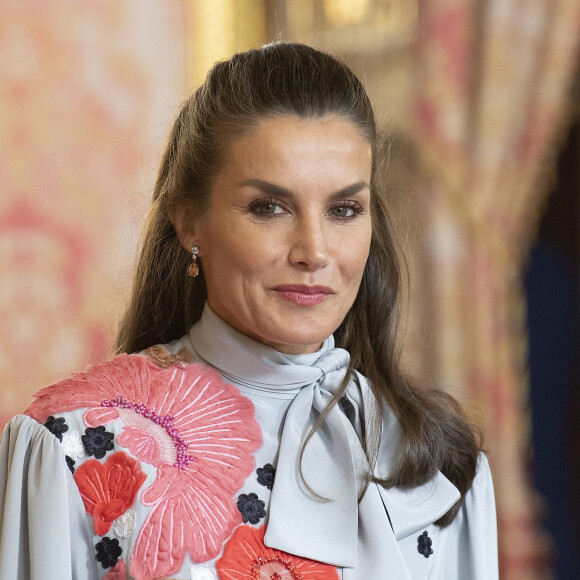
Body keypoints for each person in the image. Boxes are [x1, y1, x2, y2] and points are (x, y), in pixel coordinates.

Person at [0, 43, 498, 580]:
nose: (314, 250)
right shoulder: (72, 447)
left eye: (344, 209)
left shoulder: (436, 465)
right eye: (269, 208)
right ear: (189, 222)